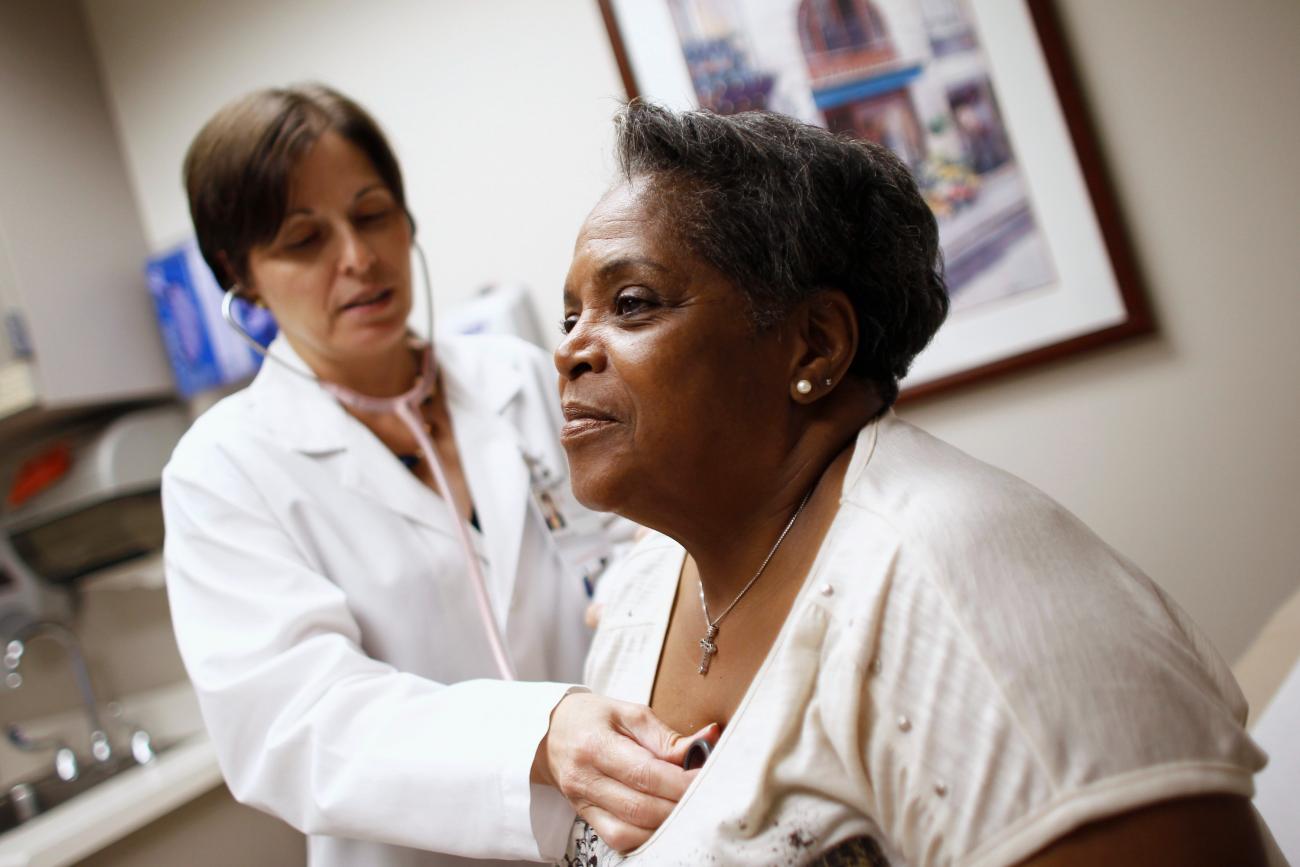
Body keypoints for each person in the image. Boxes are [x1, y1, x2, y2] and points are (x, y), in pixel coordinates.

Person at [553, 102, 1275, 866]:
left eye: (631, 303)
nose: (570, 350)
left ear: (815, 345)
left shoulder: (975, 596)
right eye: (571, 316)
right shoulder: (641, 592)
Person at [162, 85, 705, 867]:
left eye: (373, 212)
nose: (358, 256)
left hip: (632, 834)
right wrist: (540, 735)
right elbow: (297, 722)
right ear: (239, 275)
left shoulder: (519, 379)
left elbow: (652, 543)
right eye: (303, 238)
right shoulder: (224, 471)